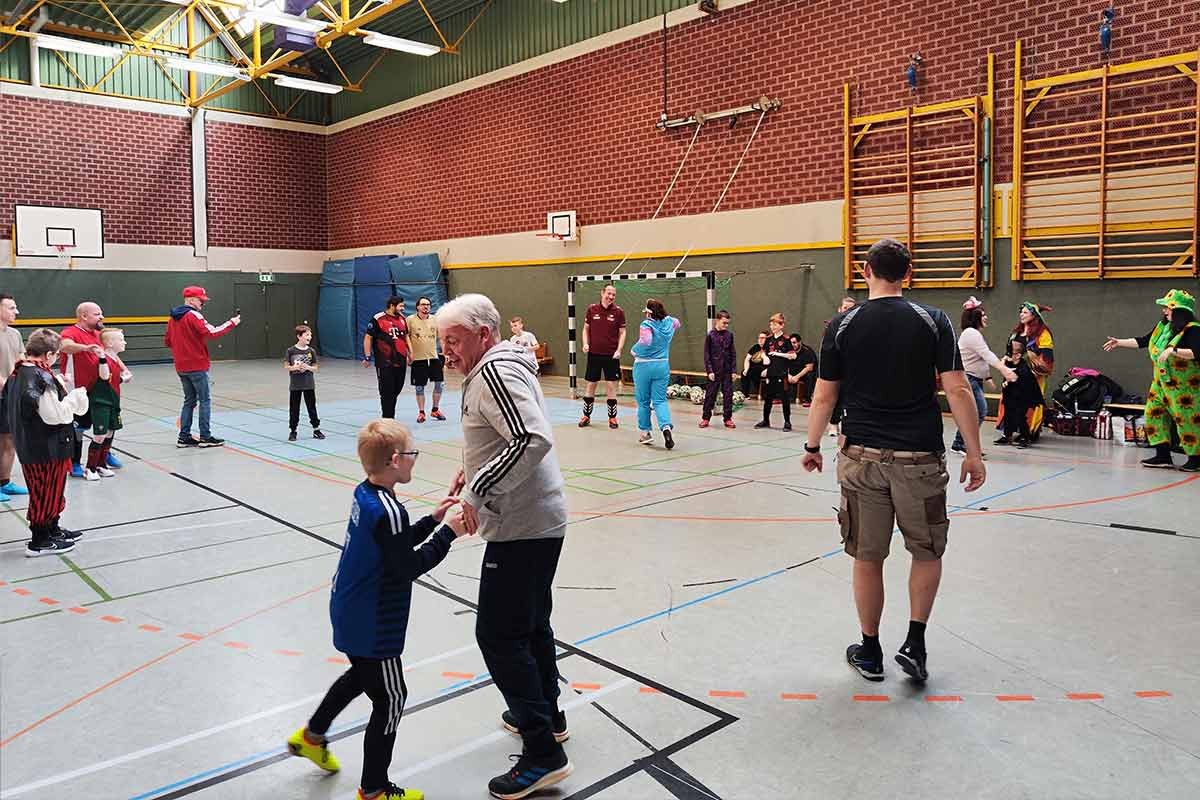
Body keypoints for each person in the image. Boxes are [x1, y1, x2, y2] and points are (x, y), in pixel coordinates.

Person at [801, 238, 985, 685]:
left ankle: (870, 649)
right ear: (908, 272)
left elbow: (825, 394)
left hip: (862, 456)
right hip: (920, 456)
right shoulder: (935, 320)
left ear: (866, 271)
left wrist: (811, 446)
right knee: (926, 550)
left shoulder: (842, 324)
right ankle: (915, 644)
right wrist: (975, 453)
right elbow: (958, 389)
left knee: (867, 555)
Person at [286, 419, 469, 800]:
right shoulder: (388, 511)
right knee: (391, 696)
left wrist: (433, 520)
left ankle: (311, 736)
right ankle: (374, 790)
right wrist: (450, 532)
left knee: (362, 676)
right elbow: (406, 568)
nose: (416, 461)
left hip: (350, 608)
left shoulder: (366, 494)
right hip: (374, 622)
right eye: (413, 455)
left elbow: (393, 546)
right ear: (396, 460)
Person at [437, 293, 573, 799]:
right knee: (530, 624)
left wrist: (478, 488)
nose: (445, 350)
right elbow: (501, 436)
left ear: (484, 334)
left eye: (453, 340)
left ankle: (543, 753)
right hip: (535, 521)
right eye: (441, 341)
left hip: (523, 525)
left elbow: (529, 439)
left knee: (497, 634)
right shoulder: (493, 368)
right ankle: (548, 715)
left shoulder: (494, 371)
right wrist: (470, 468)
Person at [3, 329, 89, 556]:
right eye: (57, 354)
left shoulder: (19, 373)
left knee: (52, 490)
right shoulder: (39, 377)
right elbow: (54, 415)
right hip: (43, 445)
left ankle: (51, 528)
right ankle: (39, 540)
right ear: (49, 354)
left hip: (37, 444)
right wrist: (73, 400)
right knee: (44, 490)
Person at [1104, 289, 1200, 471]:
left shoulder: (1193, 330)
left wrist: (1174, 351)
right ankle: (1162, 455)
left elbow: (1196, 353)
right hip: (1161, 383)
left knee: (1187, 420)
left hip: (1184, 388)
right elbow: (1144, 341)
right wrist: (1119, 342)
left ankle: (1196, 459)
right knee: (1153, 414)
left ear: (1180, 311)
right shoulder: (1163, 327)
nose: (1164, 311)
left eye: (1167, 307)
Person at [165, 286, 240, 448]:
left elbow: (168, 341)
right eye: (201, 300)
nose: (202, 304)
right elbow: (212, 332)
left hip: (181, 366)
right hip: (197, 364)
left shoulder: (172, 319)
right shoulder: (193, 315)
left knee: (189, 401)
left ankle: (183, 436)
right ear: (191, 300)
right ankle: (205, 437)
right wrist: (231, 322)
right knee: (204, 400)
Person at [952, 297, 1016, 456]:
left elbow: (979, 359)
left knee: (975, 412)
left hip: (974, 378)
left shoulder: (974, 334)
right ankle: (961, 444)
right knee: (980, 411)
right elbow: (986, 355)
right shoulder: (971, 333)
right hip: (968, 378)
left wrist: (987, 377)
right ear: (975, 317)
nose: (986, 317)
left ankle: (959, 443)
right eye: (983, 314)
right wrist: (1005, 370)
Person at [58, 301, 107, 476]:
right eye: (97, 314)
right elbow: (64, 345)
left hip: (99, 389)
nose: (101, 316)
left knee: (106, 423)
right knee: (78, 427)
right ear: (84, 316)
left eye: (101, 313)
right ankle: (75, 461)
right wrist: (86, 348)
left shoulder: (100, 333)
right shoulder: (71, 332)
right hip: (77, 390)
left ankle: (103, 456)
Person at [996, 302, 1054, 441]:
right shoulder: (1016, 332)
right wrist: (1004, 362)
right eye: (1021, 312)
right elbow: (1009, 351)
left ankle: (1027, 434)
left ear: (1034, 315)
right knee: (1008, 402)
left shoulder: (1043, 334)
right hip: (1012, 373)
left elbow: (1047, 358)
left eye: (1025, 312)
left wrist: (1033, 371)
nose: (1021, 314)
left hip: (1031, 376)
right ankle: (1007, 433)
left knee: (1027, 405)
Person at [82, 328, 131, 480]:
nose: (124, 342)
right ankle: (90, 468)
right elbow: (104, 376)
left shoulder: (116, 359)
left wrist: (124, 378)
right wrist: (102, 357)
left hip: (113, 401)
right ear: (110, 343)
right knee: (100, 435)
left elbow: (112, 380)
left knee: (110, 432)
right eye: (121, 339)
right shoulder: (103, 360)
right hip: (100, 403)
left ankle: (101, 464)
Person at [631, 299, 680, 448]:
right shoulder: (669, 322)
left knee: (643, 401)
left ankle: (645, 433)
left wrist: (634, 350)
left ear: (649, 313)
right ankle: (666, 428)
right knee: (660, 401)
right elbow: (677, 323)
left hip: (643, 366)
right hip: (662, 365)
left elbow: (646, 341)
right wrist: (665, 318)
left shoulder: (646, 324)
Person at [579, 283, 626, 429]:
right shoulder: (592, 309)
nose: (611, 297)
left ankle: (612, 418)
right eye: (609, 293)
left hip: (611, 356)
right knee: (591, 384)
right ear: (602, 293)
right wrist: (585, 343)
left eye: (613, 295)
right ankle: (586, 416)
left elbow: (623, 332)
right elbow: (585, 329)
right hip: (594, 355)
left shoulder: (619, 312)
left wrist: (619, 349)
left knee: (611, 386)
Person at [363, 296, 409, 420]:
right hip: (385, 362)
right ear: (392, 306)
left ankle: (389, 415)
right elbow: (368, 337)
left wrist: (411, 352)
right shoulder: (378, 319)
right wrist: (367, 356)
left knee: (397, 389)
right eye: (401, 306)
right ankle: (388, 418)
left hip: (401, 361)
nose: (403, 308)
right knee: (387, 391)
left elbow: (406, 337)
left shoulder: (403, 319)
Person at [0, 292, 27, 499]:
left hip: (11, 395)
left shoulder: (14, 334)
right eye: (11, 307)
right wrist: (6, 385)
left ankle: (4, 481)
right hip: (4, 392)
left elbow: (21, 360)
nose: (16, 311)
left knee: (10, 439)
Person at [994, 340, 1044, 448]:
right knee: (1008, 415)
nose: (1007, 357)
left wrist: (1010, 379)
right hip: (1010, 395)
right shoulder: (1008, 363)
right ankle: (1007, 436)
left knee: (1019, 416)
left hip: (1023, 396)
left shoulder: (1024, 368)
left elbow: (1019, 378)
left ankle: (1025, 437)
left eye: (1010, 354)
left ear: (1018, 355)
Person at [406, 297, 445, 424]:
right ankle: (421, 412)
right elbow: (405, 338)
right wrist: (408, 354)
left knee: (440, 384)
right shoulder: (410, 320)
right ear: (417, 307)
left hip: (433, 358)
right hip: (418, 359)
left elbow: (441, 337)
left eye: (428, 304)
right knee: (419, 387)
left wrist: (445, 352)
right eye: (423, 304)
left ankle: (435, 409)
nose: (426, 307)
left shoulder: (435, 320)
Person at [755, 313, 796, 431]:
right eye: (771, 324)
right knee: (768, 398)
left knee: (784, 399)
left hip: (782, 374)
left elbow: (793, 356)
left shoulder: (787, 340)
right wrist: (764, 357)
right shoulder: (769, 340)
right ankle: (765, 420)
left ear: (781, 325)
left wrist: (779, 354)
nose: (772, 327)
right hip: (771, 373)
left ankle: (787, 422)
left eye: (775, 324)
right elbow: (763, 351)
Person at [285, 324, 323, 441]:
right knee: (294, 408)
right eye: (307, 335)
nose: (309, 337)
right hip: (295, 385)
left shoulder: (311, 351)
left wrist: (307, 367)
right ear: (299, 336)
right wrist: (295, 368)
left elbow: (315, 367)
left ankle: (316, 429)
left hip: (308, 384)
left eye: (310, 335)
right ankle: (293, 431)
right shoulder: (291, 351)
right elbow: (286, 366)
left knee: (311, 407)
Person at [700, 310, 738, 429]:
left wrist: (733, 371)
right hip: (714, 371)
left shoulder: (729, 335)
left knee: (728, 395)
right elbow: (707, 355)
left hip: (727, 371)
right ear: (717, 321)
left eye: (727, 323)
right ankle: (706, 418)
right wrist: (709, 371)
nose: (726, 325)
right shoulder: (710, 335)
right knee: (710, 395)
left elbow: (733, 354)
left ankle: (728, 418)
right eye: (724, 323)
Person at [787, 333, 818, 406]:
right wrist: (788, 375)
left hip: (804, 373)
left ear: (799, 342)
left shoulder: (807, 351)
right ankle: (779, 397)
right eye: (790, 343)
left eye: (794, 343)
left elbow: (809, 367)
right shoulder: (788, 350)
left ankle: (808, 399)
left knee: (810, 376)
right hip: (792, 373)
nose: (792, 345)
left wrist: (797, 377)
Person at [741, 330, 768, 396]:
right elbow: (747, 359)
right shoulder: (755, 347)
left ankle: (762, 392)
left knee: (755, 370)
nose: (760, 340)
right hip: (753, 367)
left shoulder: (769, 348)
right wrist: (746, 369)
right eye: (759, 338)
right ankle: (745, 394)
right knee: (744, 373)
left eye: (763, 338)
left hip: (763, 368)